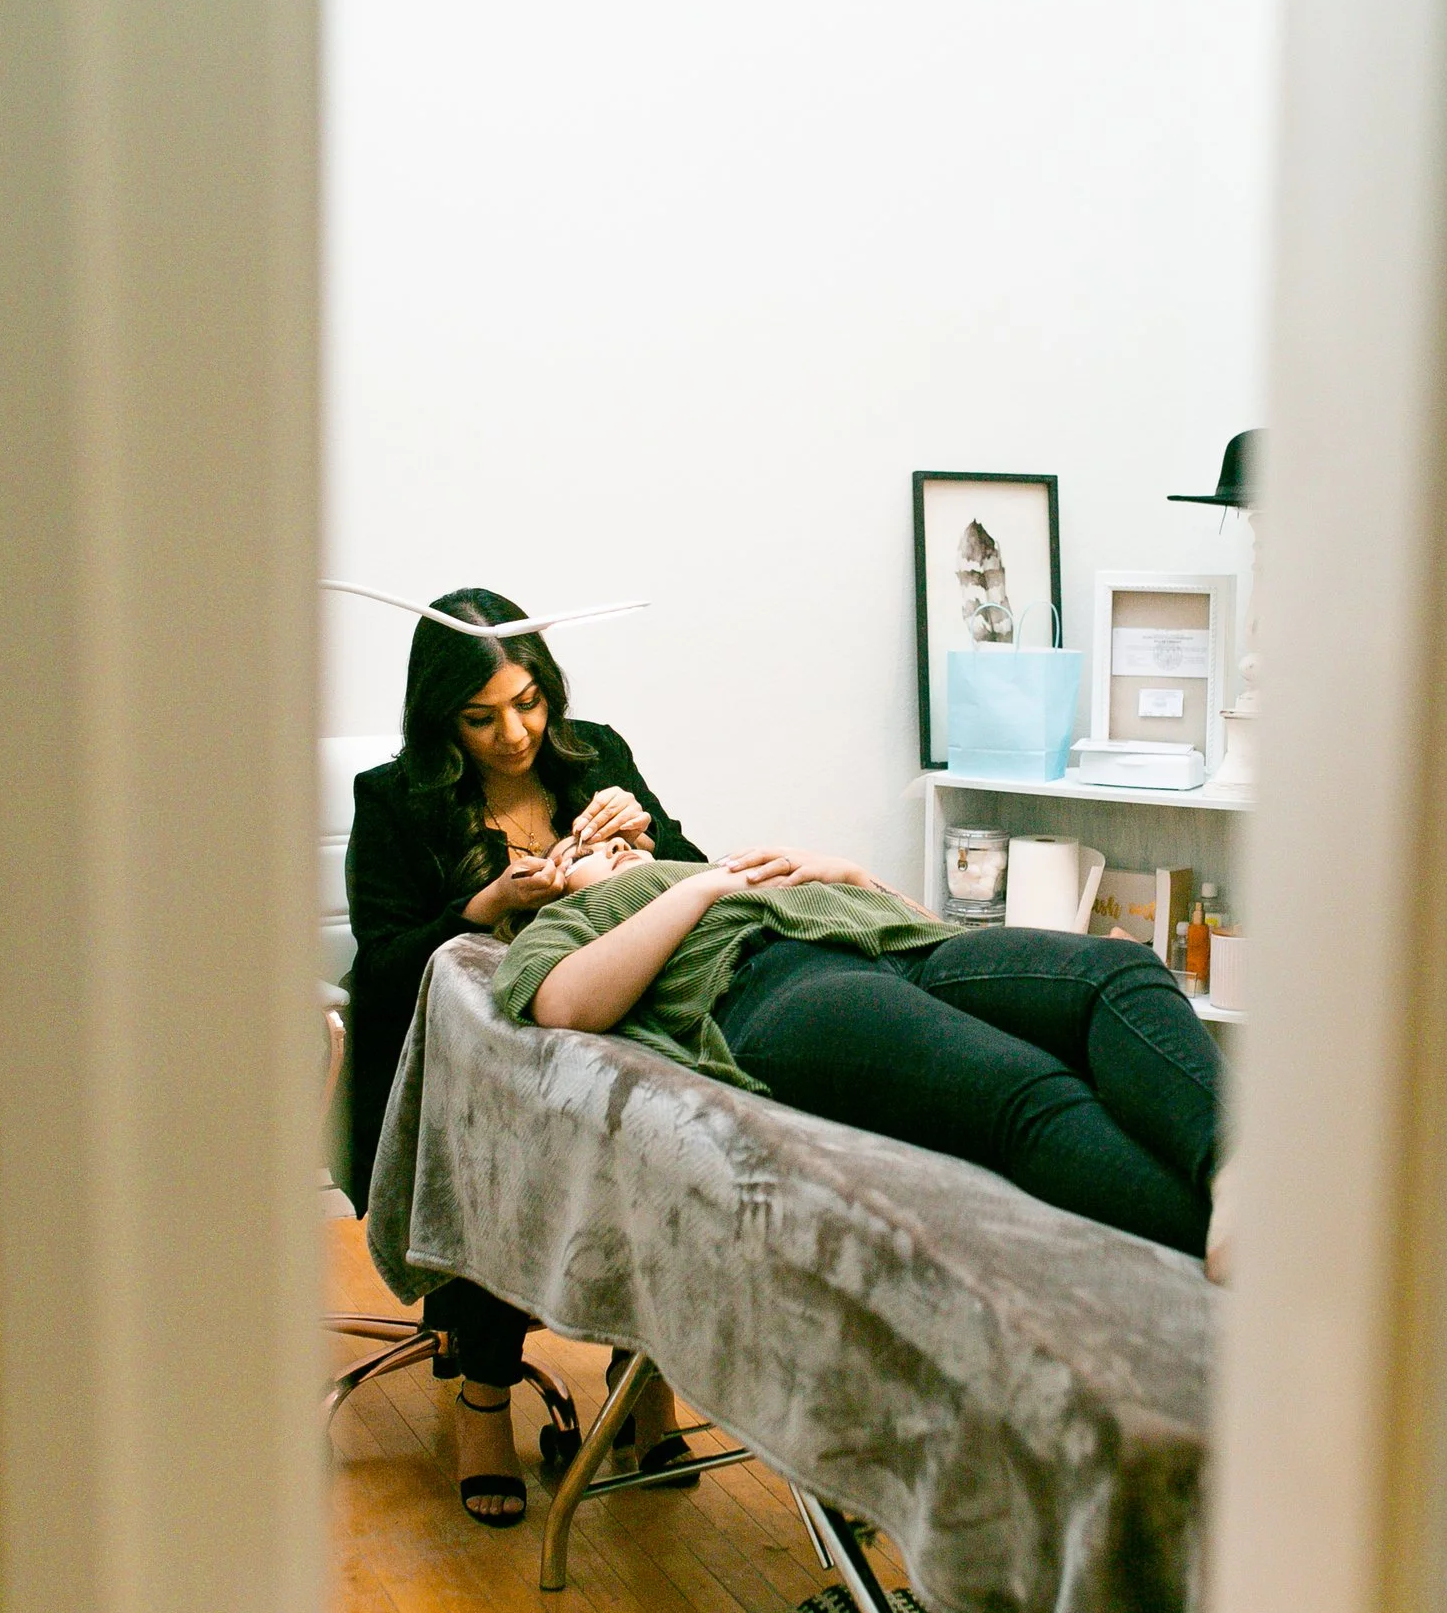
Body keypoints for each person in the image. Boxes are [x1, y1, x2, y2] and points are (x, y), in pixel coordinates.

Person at [345, 587, 705, 1527]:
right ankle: (484, 1399)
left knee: (660, 1130)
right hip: (455, 1059)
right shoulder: (394, 799)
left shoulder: (598, 757)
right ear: (440, 715)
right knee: (503, 1139)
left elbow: (694, 882)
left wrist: (645, 836)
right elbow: (382, 965)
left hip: (596, 1034)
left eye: (530, 703)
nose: (514, 734)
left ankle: (643, 1376)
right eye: (481, 717)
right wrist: (487, 905)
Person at [491, 845, 1224, 1264]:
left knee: (1114, 970)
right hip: (788, 991)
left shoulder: (726, 861)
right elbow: (565, 1004)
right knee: (1027, 1088)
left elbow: (923, 926)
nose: (613, 846)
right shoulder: (577, 915)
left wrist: (849, 876)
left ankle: (1237, 1170)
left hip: (910, 949)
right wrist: (702, 887)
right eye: (585, 850)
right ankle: (1247, 1252)